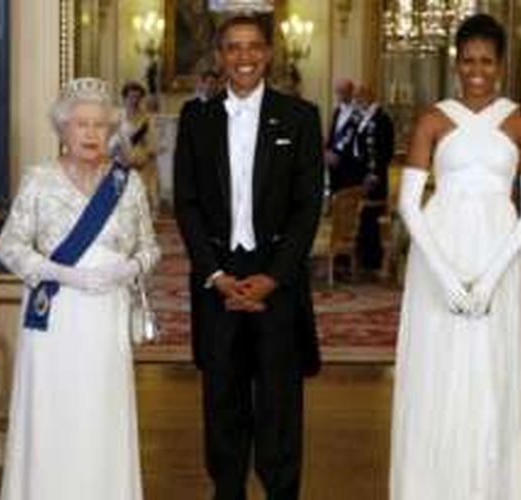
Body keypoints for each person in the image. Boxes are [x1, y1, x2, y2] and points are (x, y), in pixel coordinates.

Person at [389, 14, 521, 499]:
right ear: (456, 63)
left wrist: (491, 277)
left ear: (500, 65)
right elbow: (409, 205)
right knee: (435, 374)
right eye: (468, 60)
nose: (476, 70)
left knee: (489, 375)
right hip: (439, 258)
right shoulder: (433, 118)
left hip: (498, 258)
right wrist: (446, 275)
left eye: (486, 61)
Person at [173, 15, 323, 500]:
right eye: (233, 48)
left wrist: (273, 278)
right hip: (218, 283)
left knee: (280, 405)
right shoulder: (196, 120)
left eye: (253, 47)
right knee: (222, 403)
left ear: (269, 54)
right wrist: (214, 274)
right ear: (219, 55)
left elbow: (307, 208)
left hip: (276, 283)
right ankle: (228, 493)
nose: (244, 57)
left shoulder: (300, 117)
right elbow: (187, 203)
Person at [0, 77, 160, 500]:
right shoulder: (39, 180)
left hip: (107, 315)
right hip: (55, 316)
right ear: (63, 130)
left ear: (112, 130)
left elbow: (150, 248)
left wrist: (125, 270)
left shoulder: (129, 185)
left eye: (100, 125)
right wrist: (61, 273)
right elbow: (9, 246)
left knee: (100, 414)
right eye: (81, 124)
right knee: (54, 413)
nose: (91, 133)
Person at [350, 83, 395, 271]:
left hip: (374, 178)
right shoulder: (364, 118)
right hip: (362, 176)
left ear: (368, 96)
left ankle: (372, 260)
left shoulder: (381, 119)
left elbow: (384, 150)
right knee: (363, 218)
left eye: (359, 97)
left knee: (370, 218)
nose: (356, 101)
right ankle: (363, 257)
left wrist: (374, 174)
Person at [110, 80, 160, 215]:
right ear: (125, 98)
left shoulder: (147, 119)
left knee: (140, 204)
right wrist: (119, 154)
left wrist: (144, 157)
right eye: (131, 97)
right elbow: (109, 144)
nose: (134, 101)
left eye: (138, 97)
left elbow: (153, 146)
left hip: (141, 168)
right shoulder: (116, 118)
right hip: (120, 165)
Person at [326, 78, 362, 193]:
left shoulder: (359, 113)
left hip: (350, 166)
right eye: (337, 91)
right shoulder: (337, 111)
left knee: (348, 201)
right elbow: (332, 136)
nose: (339, 95)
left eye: (342, 91)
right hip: (334, 166)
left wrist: (340, 156)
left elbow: (358, 141)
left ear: (351, 92)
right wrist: (328, 153)